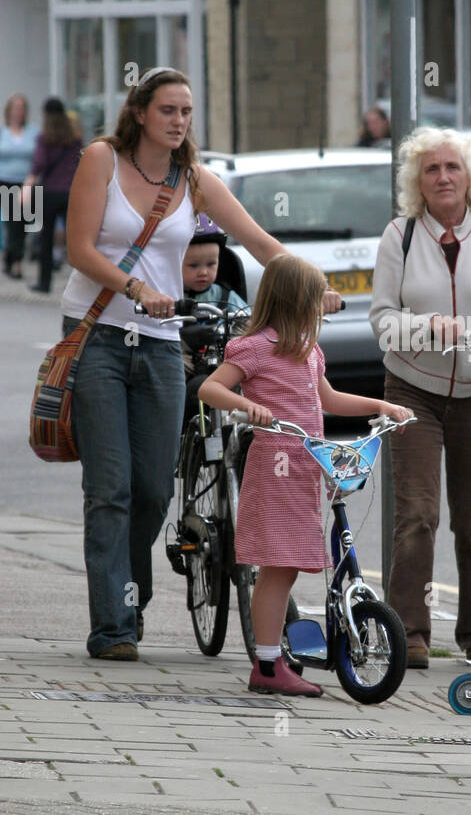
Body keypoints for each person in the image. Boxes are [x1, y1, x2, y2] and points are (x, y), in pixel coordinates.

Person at [60, 66, 343, 662]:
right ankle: (113, 624)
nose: (179, 121)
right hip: (100, 336)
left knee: (154, 490)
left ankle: (129, 596)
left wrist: (313, 286)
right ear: (140, 112)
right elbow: (80, 248)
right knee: (109, 488)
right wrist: (137, 290)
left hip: (163, 343)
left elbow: (262, 242)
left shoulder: (194, 180)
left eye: (186, 112)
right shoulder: (101, 160)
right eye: (168, 110)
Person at [197, 253, 413, 696]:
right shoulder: (255, 347)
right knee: (279, 567)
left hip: (305, 466)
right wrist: (246, 405)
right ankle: (268, 667)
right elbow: (209, 388)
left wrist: (379, 405)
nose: (322, 308)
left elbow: (328, 400)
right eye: (316, 300)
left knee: (288, 566)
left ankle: (274, 658)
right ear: (294, 301)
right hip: (275, 466)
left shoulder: (308, 349)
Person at [369, 127, 471, 669]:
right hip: (413, 389)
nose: (444, 177)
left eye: (452, 167)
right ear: (418, 182)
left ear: (469, 176)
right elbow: (382, 322)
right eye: (431, 170)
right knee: (417, 516)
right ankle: (408, 632)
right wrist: (428, 328)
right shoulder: (400, 237)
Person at [179, 215, 250, 428]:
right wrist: (183, 338)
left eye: (211, 264)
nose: (203, 272)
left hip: (219, 357)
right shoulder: (166, 295)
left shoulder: (226, 296)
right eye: (193, 266)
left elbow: (246, 325)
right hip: (182, 357)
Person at [23, 98, 82, 294]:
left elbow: (40, 163)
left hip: (48, 193)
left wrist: (29, 182)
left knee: (46, 239)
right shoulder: (75, 137)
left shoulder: (44, 137)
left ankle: (44, 283)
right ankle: (81, 284)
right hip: (70, 192)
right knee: (75, 240)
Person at [0, 92, 39, 277]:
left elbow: (39, 157)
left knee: (25, 223)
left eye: (22, 108)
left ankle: (13, 258)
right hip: (7, 181)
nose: (19, 112)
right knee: (12, 222)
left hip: (29, 182)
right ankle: (13, 261)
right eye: (16, 108)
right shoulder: (3, 132)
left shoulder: (33, 132)